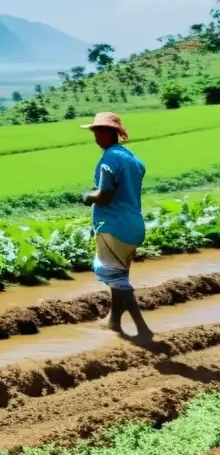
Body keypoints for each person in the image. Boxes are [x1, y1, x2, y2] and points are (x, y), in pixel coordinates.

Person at [80, 112, 153, 341]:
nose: (96, 136)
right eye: (94, 131)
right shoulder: (132, 158)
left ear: (109, 133)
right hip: (133, 224)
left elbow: (106, 194)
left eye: (98, 131)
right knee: (118, 276)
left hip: (113, 225)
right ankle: (114, 321)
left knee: (116, 278)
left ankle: (142, 329)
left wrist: (87, 197)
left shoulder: (109, 159)